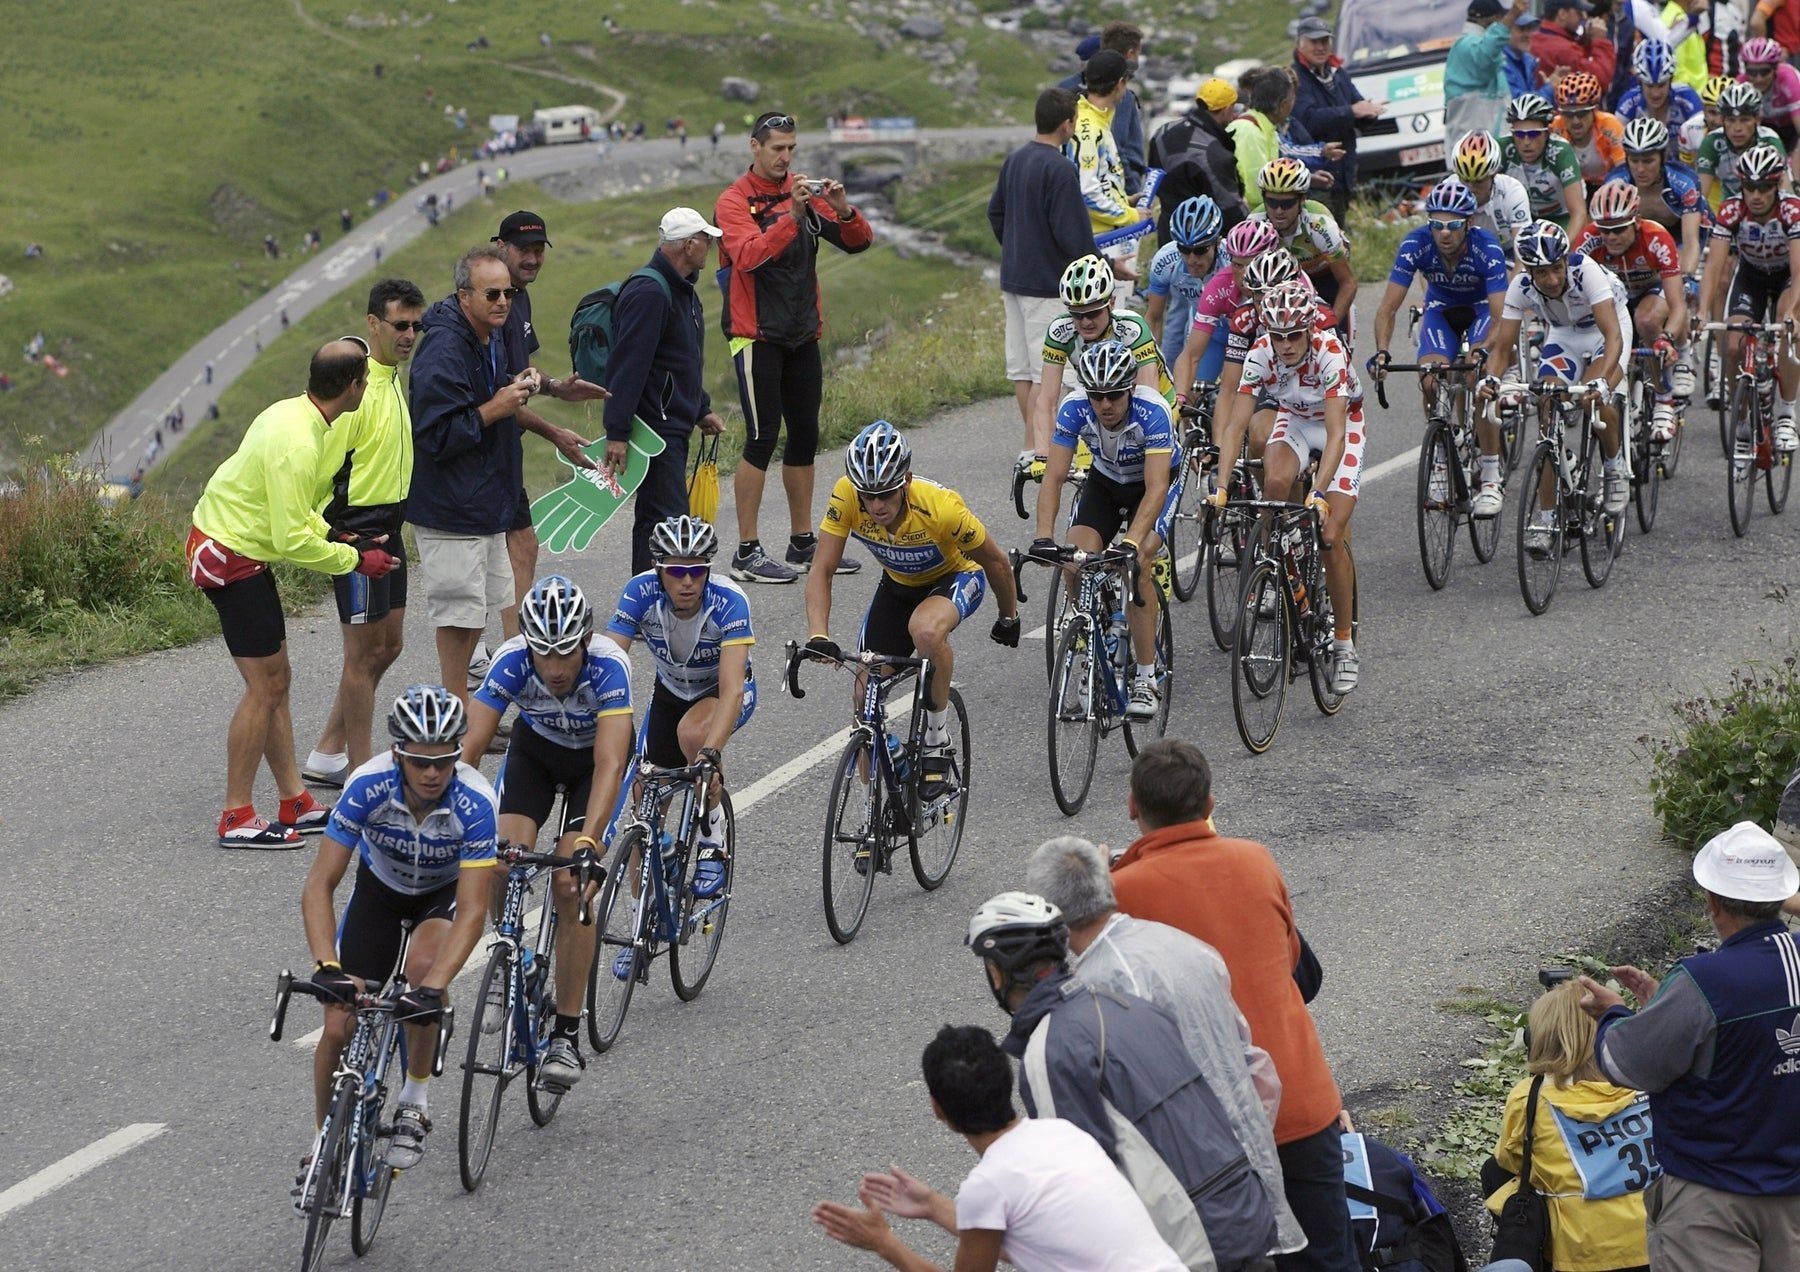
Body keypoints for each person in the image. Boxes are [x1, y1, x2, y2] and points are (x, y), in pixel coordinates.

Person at [1111, 740, 1361, 1272]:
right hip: (1301, 1103)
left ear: (1133, 806)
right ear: (1210, 805)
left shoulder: (1120, 894)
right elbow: (1300, 971)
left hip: (1208, 1131)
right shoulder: (1255, 860)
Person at [1023, 836, 1306, 1258]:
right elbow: (1250, 1061)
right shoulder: (1180, 944)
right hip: (1248, 1175)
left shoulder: (1100, 989)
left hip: (1195, 1203)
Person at [969, 892, 1279, 1271]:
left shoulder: (1049, 1051)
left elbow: (1078, 1194)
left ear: (997, 972)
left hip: (1190, 1248)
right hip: (1245, 1215)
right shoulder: (1127, 1005)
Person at [187, 340, 395, 849]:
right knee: (264, 688)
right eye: (364, 382)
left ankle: (294, 802)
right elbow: (289, 540)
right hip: (230, 555)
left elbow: (294, 511)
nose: (366, 389)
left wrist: (337, 537)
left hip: (239, 546)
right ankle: (236, 814)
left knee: (277, 680)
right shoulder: (301, 444)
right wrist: (355, 560)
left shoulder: (292, 413)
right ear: (353, 387)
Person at [1580, 821, 1800, 1270]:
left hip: (1711, 1200)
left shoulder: (1704, 981)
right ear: (1780, 899)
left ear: (1713, 902)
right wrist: (1666, 1009)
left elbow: (1625, 1064)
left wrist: (1614, 1014)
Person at [298, 685, 495, 1182]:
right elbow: (319, 885)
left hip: (441, 894)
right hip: (380, 891)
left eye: (443, 761)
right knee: (339, 1024)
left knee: (424, 973)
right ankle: (324, 1139)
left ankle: (415, 1096)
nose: (432, 773)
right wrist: (326, 966)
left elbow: (473, 911)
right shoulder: (366, 785)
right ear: (397, 754)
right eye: (419, 761)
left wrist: (432, 992)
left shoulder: (475, 801)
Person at [810, 1024, 1186, 1272]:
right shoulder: (1062, 1134)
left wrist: (884, 1243)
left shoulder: (989, 1184)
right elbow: (1036, 1244)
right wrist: (932, 1206)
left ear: (938, 1109)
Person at [459, 575, 632, 1092]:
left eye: (565, 654)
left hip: (592, 766)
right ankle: (509, 956)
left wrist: (588, 841)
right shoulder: (510, 660)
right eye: (544, 655)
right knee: (497, 857)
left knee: (570, 884)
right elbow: (469, 750)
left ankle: (566, 1033)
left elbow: (610, 762)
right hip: (535, 754)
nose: (554, 669)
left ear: (584, 641)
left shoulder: (609, 666)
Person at [804, 422, 1020, 776]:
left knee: (925, 630)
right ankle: (871, 815)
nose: (876, 505)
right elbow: (822, 569)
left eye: (886, 493)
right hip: (899, 585)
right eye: (867, 495)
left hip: (955, 577)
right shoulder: (845, 495)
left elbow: (996, 562)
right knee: (864, 701)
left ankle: (937, 735)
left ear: (906, 481)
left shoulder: (941, 508)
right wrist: (818, 633)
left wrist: (1008, 616)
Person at [715, 113, 874, 584]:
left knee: (805, 435)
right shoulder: (733, 201)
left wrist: (843, 210)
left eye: (791, 149)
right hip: (756, 335)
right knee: (762, 440)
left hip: (803, 333)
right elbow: (747, 256)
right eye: (776, 149)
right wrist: (792, 217)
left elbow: (858, 242)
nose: (785, 158)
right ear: (754, 148)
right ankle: (746, 551)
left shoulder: (800, 191)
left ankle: (803, 543)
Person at [303, 280, 427, 791]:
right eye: (400, 325)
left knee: (389, 646)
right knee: (360, 657)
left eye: (417, 326)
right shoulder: (357, 389)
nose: (410, 335)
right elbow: (319, 473)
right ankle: (360, 772)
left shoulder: (395, 377)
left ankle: (328, 752)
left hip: (392, 528)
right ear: (372, 324)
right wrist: (332, 536)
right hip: (356, 532)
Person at [407, 245, 540, 711]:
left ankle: (466, 707)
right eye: (491, 294)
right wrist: (496, 408)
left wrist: (517, 387)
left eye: (507, 292)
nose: (503, 301)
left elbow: (490, 394)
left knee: (478, 610)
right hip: (452, 506)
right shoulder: (443, 347)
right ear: (465, 297)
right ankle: (454, 710)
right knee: (459, 616)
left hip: (483, 502)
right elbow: (436, 434)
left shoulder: (489, 334)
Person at [480, 211, 606, 681]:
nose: (531, 258)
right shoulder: (493, 303)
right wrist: (555, 432)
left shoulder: (520, 299)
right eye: (522, 250)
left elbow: (521, 379)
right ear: (500, 246)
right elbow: (502, 397)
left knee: (520, 548)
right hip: (481, 447)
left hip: (501, 444)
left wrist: (554, 386)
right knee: (504, 552)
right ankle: (511, 662)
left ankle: (505, 652)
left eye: (538, 250)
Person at [1031, 340, 1179, 720]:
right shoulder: (1074, 408)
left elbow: (1157, 487)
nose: (1105, 405)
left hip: (1153, 484)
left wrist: (1129, 543)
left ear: (1130, 388)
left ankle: (1146, 677)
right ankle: (1090, 644)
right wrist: (1043, 538)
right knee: (1073, 560)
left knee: (1139, 563)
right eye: (1097, 396)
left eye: (1114, 395)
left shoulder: (1153, 413)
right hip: (1107, 481)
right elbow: (1055, 477)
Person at [1228, 281, 1364, 693]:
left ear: (1308, 330)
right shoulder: (1260, 353)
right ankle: (1278, 563)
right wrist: (1220, 487)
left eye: (1293, 336)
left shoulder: (1330, 352)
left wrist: (1319, 493)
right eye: (1277, 336)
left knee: (1329, 533)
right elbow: (1235, 424)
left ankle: (1343, 644)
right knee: (1273, 485)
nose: (1285, 345)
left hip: (1341, 426)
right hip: (1296, 421)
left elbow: (1338, 436)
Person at [603, 515, 751, 895]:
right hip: (670, 693)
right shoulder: (639, 592)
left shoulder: (729, 601)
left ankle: (712, 839)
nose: (688, 581)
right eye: (677, 571)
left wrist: (710, 755)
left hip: (721, 693)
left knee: (694, 736)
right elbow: (608, 664)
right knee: (645, 802)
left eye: (697, 570)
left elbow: (733, 689)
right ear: (658, 570)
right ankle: (641, 929)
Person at [1483, 980, 1654, 1272]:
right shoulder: (1648, 1080)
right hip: (1661, 1240)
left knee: (1496, 1170)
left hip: (1580, 1258)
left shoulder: (1531, 1097)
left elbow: (1509, 1161)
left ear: (1539, 1039)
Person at [1479, 219, 1633, 542]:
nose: (1550, 279)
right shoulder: (1519, 287)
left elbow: (1613, 337)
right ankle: (1548, 520)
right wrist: (1491, 379)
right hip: (1564, 335)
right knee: (1547, 409)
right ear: (1529, 273)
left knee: (1594, 398)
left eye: (1556, 269)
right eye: (1540, 273)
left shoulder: (1586, 271)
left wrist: (1603, 381)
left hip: (1607, 329)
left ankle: (1615, 467)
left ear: (1565, 260)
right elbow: (1502, 346)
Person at [1371, 177, 1512, 517]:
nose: (1444, 233)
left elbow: (1500, 317)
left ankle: (1491, 475)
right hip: (1441, 310)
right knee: (1431, 377)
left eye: (1453, 226)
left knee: (1478, 381)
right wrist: (1382, 351)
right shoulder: (1415, 244)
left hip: (1481, 312)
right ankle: (1439, 457)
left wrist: (1481, 352)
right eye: (1436, 225)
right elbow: (1388, 308)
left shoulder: (1487, 248)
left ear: (1470, 223)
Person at [604, 207, 729, 576]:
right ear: (688, 245)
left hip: (672, 425)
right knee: (670, 521)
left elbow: (681, 360)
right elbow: (628, 367)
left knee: (655, 520)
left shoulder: (682, 290)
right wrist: (617, 432)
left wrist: (700, 409)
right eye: (705, 240)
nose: (710, 246)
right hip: (654, 431)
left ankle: (646, 604)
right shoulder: (651, 292)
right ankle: (659, 606)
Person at [989, 88, 1100, 455]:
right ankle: (1041, 449)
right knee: (1045, 371)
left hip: (1014, 278)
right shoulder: (1060, 168)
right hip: (1048, 285)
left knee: (1022, 370)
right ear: (1067, 125)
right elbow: (1074, 235)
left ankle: (1034, 442)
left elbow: (996, 213)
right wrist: (1097, 269)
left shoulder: (1015, 159)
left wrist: (1017, 248)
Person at [1697, 143, 1800, 452]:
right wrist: (1702, 311)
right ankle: (1741, 417)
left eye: (1764, 187)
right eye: (1749, 186)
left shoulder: (1792, 211)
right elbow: (1714, 266)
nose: (1756, 195)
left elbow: (1798, 269)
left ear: (1777, 184)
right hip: (1751, 277)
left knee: (1790, 331)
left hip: (1787, 278)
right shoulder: (1731, 210)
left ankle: (1785, 413)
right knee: (1733, 344)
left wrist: (1793, 311)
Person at [1027, 254, 1169, 474]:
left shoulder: (1132, 329)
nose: (1085, 322)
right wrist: (1042, 455)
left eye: (1093, 312)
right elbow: (1046, 400)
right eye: (1076, 314)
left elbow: (1148, 396)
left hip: (1155, 398)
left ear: (1111, 303)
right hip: (1104, 399)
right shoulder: (1060, 332)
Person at [1572, 179, 1691, 440]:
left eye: (1619, 229)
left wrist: (1666, 338)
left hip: (1650, 293)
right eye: (1605, 230)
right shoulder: (1589, 240)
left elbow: (1677, 303)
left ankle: (1663, 398)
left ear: (1636, 221)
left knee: (1646, 321)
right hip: (1613, 298)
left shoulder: (1656, 238)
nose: (1611, 237)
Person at [1290, 16, 1387, 225]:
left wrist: (1369, 113)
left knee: (1339, 238)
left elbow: (1356, 105)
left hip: (1344, 174)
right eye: (1314, 42)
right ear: (1300, 42)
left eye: (1325, 41)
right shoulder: (1296, 78)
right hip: (1316, 177)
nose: (1320, 47)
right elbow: (1307, 120)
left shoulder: (1338, 72)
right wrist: (1352, 111)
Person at [1064, 50, 1146, 288]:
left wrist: (1123, 200)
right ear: (1120, 83)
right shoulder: (1089, 127)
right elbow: (1086, 192)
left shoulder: (1094, 116)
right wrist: (1131, 216)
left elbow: (1099, 178)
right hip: (1102, 237)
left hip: (1105, 230)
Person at [1251, 157, 1357, 336]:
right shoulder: (1255, 225)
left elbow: (1348, 283)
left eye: (1287, 203)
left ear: (1302, 200)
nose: (1278, 211)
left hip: (1325, 279)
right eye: (1272, 202)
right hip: (1281, 284)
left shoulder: (1320, 225)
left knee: (1336, 347)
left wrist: (1328, 330)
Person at [1148, 79, 1249, 244]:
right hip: (1202, 242)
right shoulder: (1214, 153)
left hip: (1168, 231)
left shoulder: (1163, 132)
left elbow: (1153, 176)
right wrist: (1251, 233)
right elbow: (1231, 209)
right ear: (1226, 109)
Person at [1607, 117, 1706, 278]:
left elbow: (1691, 241)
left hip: (1681, 234)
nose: (1640, 169)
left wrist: (1686, 277)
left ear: (1664, 157)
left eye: (1648, 161)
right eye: (1634, 160)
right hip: (1640, 238)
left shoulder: (1685, 181)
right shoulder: (1615, 183)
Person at [1144, 197, 1225, 365]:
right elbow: (1154, 317)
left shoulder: (1231, 261)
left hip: (1236, 326)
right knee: (1189, 386)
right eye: (1184, 249)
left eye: (1200, 250)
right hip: (1201, 324)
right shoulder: (1165, 261)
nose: (1192, 259)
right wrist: (1151, 367)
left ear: (1217, 242)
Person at [1501, 94, 1591, 238]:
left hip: (1563, 217)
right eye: (1518, 134)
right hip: (1525, 218)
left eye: (1534, 134)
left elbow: (1579, 212)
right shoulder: (1503, 148)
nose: (1526, 142)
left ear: (1548, 132)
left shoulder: (1561, 152)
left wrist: (1564, 251)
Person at [1446, 0, 1534, 145]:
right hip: (1474, 154)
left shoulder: (1477, 46)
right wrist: (1511, 17)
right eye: (1500, 19)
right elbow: (1485, 53)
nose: (1504, 25)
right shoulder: (1466, 46)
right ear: (1491, 20)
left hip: (1491, 148)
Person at [1697, 82, 1790, 210]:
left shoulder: (1770, 141)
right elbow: (1701, 195)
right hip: (1729, 209)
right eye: (1731, 120)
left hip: (1768, 210)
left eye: (1745, 120)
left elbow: (1786, 193)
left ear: (1757, 120)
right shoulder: (1712, 142)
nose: (1737, 128)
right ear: (1722, 120)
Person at [1456, 129, 1536, 257]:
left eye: (1479, 181)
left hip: (1506, 253)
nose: (1471, 187)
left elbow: (1523, 256)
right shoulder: (1447, 191)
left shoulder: (1513, 191)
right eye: (1465, 180)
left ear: (1493, 175)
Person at [1615, 38, 1705, 148]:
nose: (1655, 93)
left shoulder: (1688, 99)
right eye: (1649, 85)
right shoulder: (1628, 104)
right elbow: (1618, 152)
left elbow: (1702, 148)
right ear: (1640, 82)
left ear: (1671, 80)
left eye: (1662, 85)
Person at [1553, 72, 1627, 191]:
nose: (1575, 121)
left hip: (1606, 185)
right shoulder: (1555, 128)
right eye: (1568, 114)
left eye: (1582, 113)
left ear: (1594, 110)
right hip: (1572, 187)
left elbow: (1623, 167)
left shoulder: (1610, 125)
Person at [1532, 0, 1618, 89]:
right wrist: (1600, 41)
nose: (1584, 17)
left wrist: (1585, 43)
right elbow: (1600, 79)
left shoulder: (1535, 37)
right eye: (1578, 13)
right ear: (1562, 14)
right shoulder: (1565, 49)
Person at [1743, 35, 1800, 152]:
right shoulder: (1741, 83)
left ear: (1775, 69)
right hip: (1766, 128)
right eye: (1752, 72)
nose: (1758, 79)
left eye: (1764, 71)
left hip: (1792, 127)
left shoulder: (1789, 80)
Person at [1504, 12, 1545, 100]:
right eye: (1521, 29)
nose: (1527, 35)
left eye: (1529, 29)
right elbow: (1519, 104)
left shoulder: (1528, 61)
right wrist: (1550, 89)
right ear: (1506, 31)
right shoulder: (1500, 61)